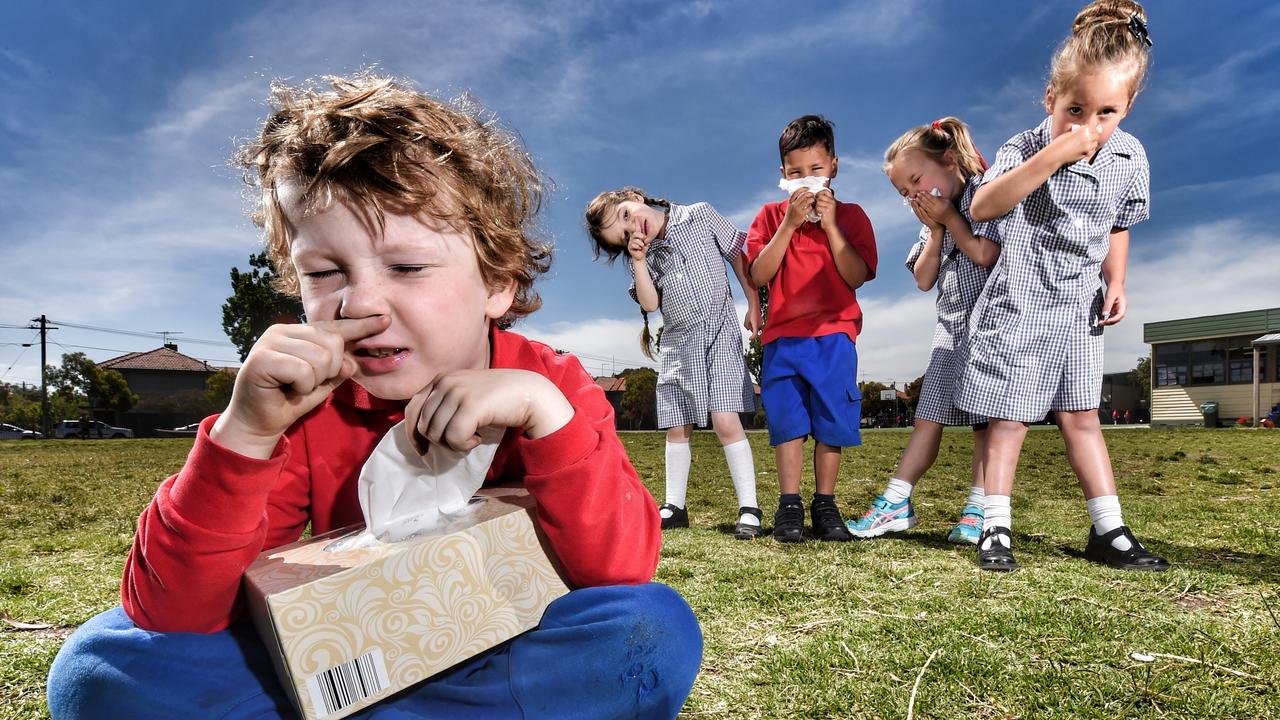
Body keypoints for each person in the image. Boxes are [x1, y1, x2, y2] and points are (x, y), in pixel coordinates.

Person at [46, 73, 702, 720]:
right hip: (338, 654)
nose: (358, 302)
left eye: (407, 268)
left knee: (652, 629)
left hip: (506, 650)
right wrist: (245, 435)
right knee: (100, 665)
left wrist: (545, 416)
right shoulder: (305, 406)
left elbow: (619, 567)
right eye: (324, 272)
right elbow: (178, 612)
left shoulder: (553, 386)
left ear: (498, 284)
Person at [961, 0, 1169, 572]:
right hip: (1021, 305)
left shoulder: (1129, 157)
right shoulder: (1026, 148)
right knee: (1009, 419)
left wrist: (1117, 279)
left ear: (1127, 108)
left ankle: (1109, 529)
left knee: (1082, 415)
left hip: (1079, 308)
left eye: (1107, 111)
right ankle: (995, 526)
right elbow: (984, 204)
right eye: (1075, 109)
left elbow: (1118, 224)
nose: (1090, 126)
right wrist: (1053, 155)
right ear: (1050, 97)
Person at [847, 117, 1001, 545]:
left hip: (989, 327)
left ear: (949, 160)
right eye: (903, 192)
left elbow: (985, 254)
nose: (912, 194)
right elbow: (922, 278)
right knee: (927, 416)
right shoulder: (930, 218)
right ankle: (898, 500)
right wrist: (935, 228)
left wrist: (951, 217)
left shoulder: (984, 195)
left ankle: (978, 507)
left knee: (984, 424)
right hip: (948, 332)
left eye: (915, 179)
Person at [586, 188, 764, 539]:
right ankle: (675, 507)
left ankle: (749, 507)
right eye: (624, 237)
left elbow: (738, 257)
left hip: (718, 335)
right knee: (677, 427)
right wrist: (638, 261)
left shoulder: (699, 213)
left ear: (633, 196)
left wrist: (753, 303)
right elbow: (651, 304)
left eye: (625, 215)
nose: (633, 229)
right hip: (678, 349)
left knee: (725, 420)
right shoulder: (647, 260)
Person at [745, 115, 878, 543]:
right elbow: (760, 274)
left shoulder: (853, 216)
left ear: (834, 167)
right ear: (783, 175)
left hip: (835, 335)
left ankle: (824, 503)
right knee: (788, 424)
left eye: (816, 170)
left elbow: (856, 275)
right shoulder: (769, 217)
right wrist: (789, 224)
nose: (807, 179)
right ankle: (789, 506)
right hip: (783, 338)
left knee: (830, 422)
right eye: (797, 172)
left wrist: (831, 224)